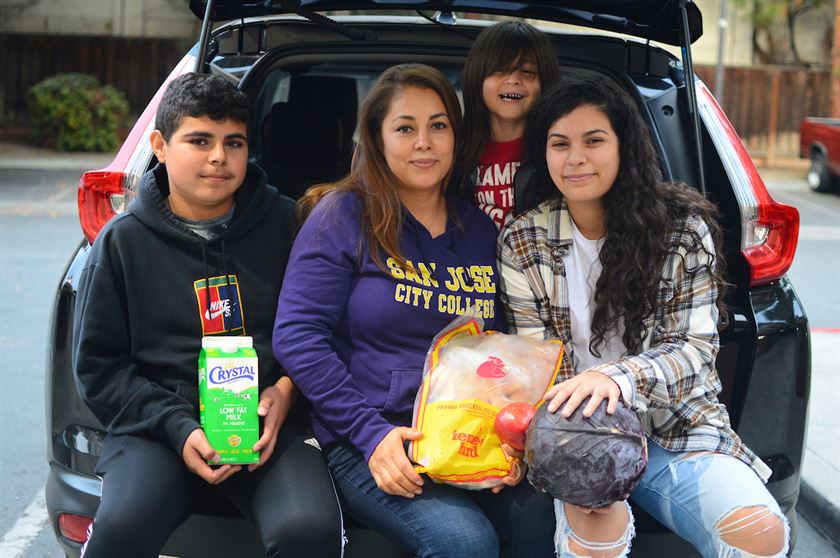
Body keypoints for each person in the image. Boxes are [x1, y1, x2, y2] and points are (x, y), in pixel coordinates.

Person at [497, 75, 790, 558]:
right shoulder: (524, 240)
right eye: (560, 144)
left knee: (761, 532)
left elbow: (694, 349)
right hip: (578, 431)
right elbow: (537, 358)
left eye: (594, 140)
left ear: (624, 146)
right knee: (597, 542)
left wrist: (618, 379)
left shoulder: (681, 229)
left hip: (675, 424)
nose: (576, 158)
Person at [273, 63, 556, 558]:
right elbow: (298, 336)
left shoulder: (480, 233)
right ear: (378, 139)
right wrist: (371, 435)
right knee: (466, 544)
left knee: (544, 518)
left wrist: (510, 441)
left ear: (456, 136)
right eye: (405, 128)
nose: (424, 142)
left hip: (466, 434)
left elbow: (497, 354)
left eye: (438, 125)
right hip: (372, 437)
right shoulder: (342, 216)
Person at [72, 73, 343, 558]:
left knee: (308, 530)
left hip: (269, 429)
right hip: (156, 430)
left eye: (233, 142)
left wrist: (286, 391)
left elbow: (329, 330)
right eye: (200, 140)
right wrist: (180, 428)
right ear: (159, 145)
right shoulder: (123, 241)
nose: (219, 156)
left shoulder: (290, 227)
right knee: (123, 527)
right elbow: (99, 369)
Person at [456, 21, 560, 228]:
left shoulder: (556, 153)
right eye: (500, 70)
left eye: (528, 72)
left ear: (544, 83)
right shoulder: (454, 153)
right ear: (477, 78)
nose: (513, 80)